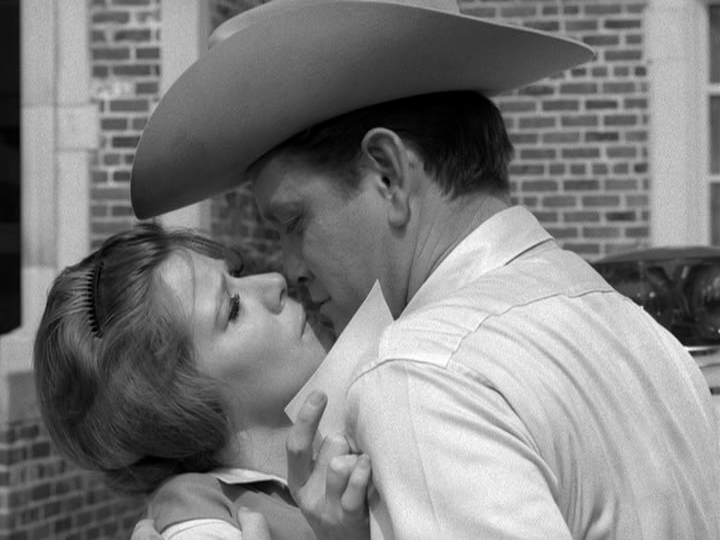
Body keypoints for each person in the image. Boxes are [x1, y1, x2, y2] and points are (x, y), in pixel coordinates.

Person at [129, 0, 720, 538]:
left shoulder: (421, 374)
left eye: (293, 221)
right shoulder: (640, 331)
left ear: (388, 174)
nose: (287, 268)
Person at [34, 223, 371, 540]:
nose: (274, 281)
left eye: (237, 274)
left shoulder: (362, 403)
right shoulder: (199, 518)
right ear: (177, 407)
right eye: (233, 308)